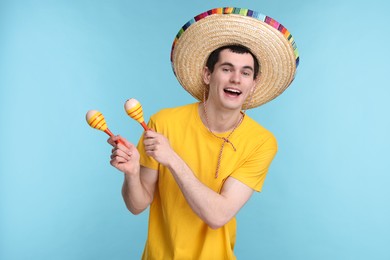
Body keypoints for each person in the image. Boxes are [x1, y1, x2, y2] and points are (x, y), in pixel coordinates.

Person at [108, 7, 299, 260]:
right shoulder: (163, 122)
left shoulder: (261, 142)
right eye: (226, 69)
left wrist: (172, 159)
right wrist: (132, 173)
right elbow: (137, 205)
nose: (236, 79)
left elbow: (218, 216)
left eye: (245, 73)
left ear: (253, 84)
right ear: (207, 75)